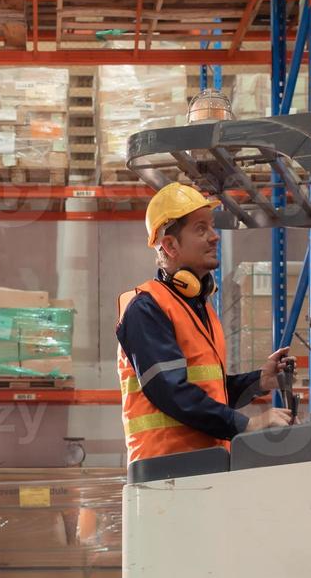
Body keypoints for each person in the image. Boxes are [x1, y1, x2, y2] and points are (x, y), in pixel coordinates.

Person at [116, 182, 294, 464]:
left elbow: (210, 391)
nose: (214, 237)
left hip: (201, 466)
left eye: (211, 227)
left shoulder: (197, 306)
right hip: (165, 471)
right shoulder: (145, 308)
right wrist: (247, 424)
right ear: (170, 245)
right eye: (201, 229)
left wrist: (260, 380)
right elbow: (173, 393)